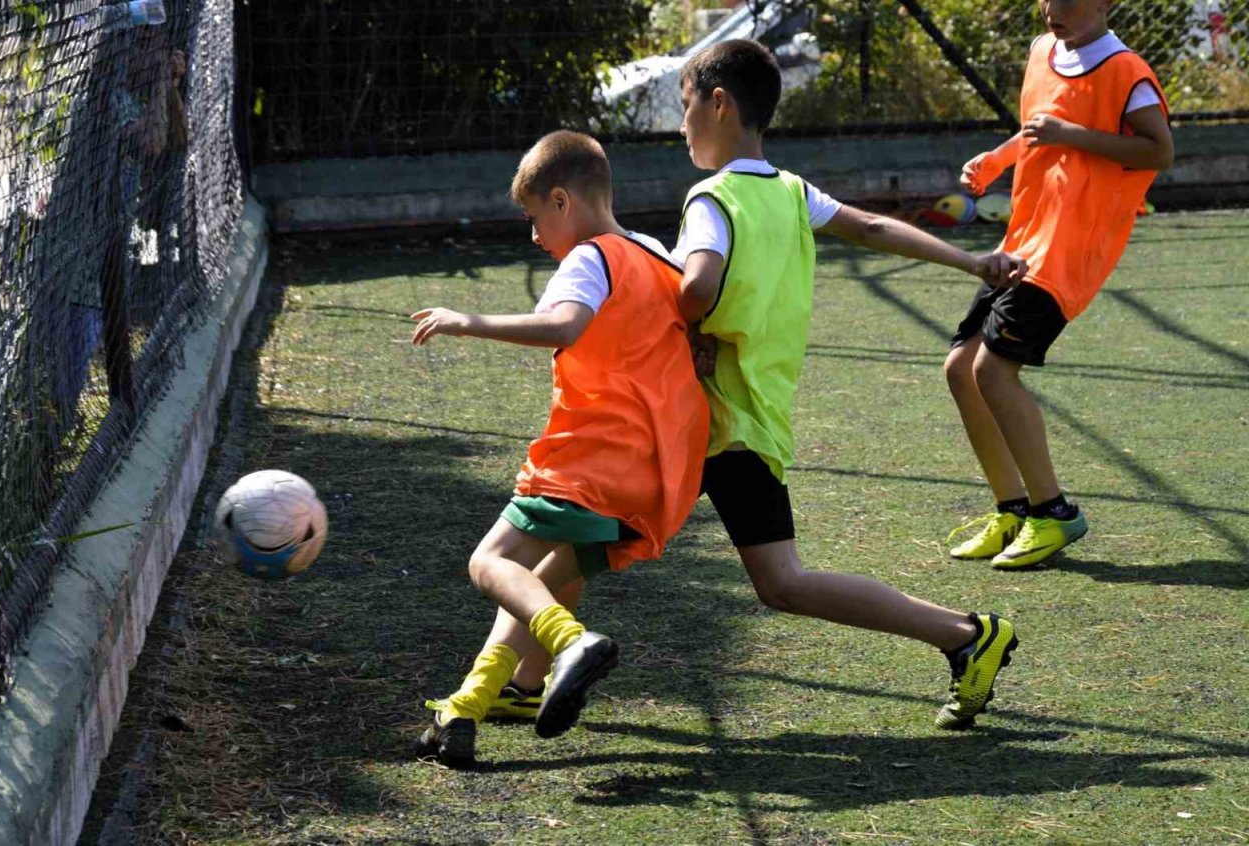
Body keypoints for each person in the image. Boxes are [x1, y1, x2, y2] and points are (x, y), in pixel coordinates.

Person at [495, 39, 1029, 734]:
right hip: (752, 416)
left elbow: (696, 288)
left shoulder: (712, 199)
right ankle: (521, 681)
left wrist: (669, 324)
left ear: (718, 104)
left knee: (599, 542)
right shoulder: (791, 190)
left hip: (703, 419)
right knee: (597, 542)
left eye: (686, 107)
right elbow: (868, 226)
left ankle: (962, 634)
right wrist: (973, 260)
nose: (682, 124)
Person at [410, 130, 709, 767]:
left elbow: (565, 324)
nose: (535, 235)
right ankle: (484, 697)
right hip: (657, 471)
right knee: (549, 578)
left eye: (534, 218)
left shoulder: (589, 256)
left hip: (589, 459)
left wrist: (470, 321)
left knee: (489, 564)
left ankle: (571, 645)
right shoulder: (657, 254)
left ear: (562, 200)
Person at [946, 0, 1172, 570]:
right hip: (1023, 236)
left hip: (1071, 249)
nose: (1054, 8)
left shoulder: (1126, 72)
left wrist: (1072, 133)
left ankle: (1056, 513)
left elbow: (1158, 150)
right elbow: (1036, 131)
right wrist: (997, 160)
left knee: (992, 370)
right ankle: (1013, 510)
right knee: (959, 370)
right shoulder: (1042, 52)